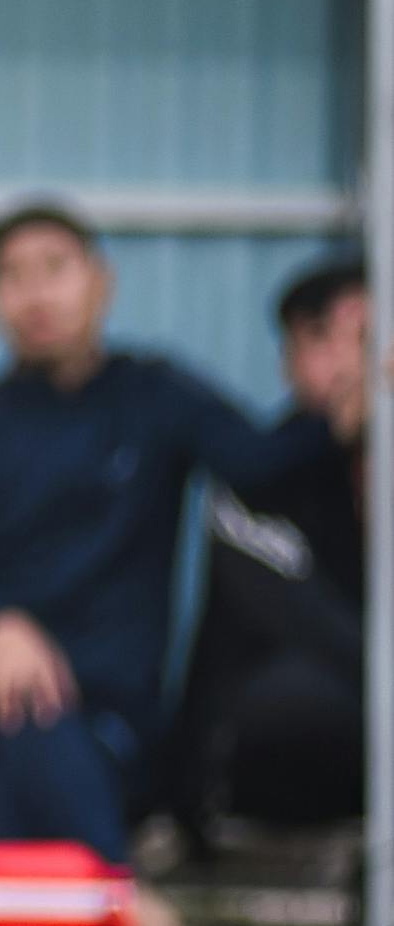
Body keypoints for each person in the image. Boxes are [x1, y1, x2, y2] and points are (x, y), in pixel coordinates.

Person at [0, 204, 335, 926]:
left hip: (118, 725)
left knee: (13, 803)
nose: (37, 294)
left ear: (100, 283)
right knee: (25, 716)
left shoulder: (156, 396)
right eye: (13, 275)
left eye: (56, 269)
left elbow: (265, 463)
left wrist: (346, 397)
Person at [178, 256, 370, 830]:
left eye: (368, 339)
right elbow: (315, 629)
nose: (351, 365)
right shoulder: (261, 477)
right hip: (262, 756)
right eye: (324, 340)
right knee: (299, 697)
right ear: (291, 362)